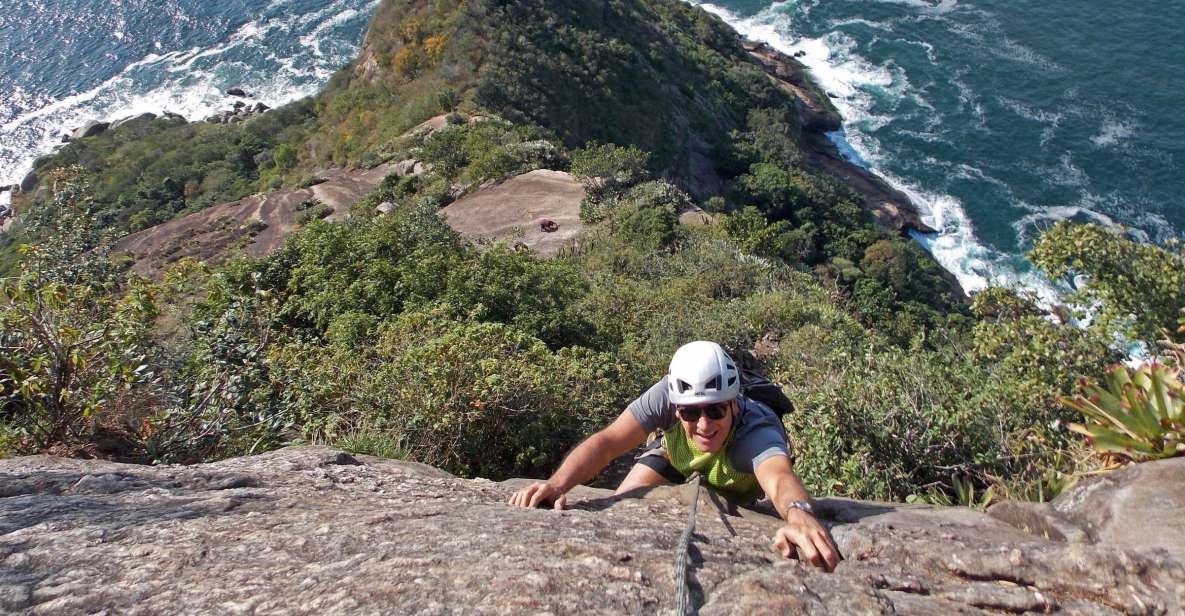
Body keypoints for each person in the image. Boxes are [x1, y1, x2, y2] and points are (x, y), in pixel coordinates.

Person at [509, 340, 841, 571]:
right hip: (675, 458)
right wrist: (557, 485)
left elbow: (779, 477)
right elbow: (608, 442)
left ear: (734, 405)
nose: (704, 424)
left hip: (733, 480)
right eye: (691, 413)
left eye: (715, 411)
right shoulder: (664, 398)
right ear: (676, 408)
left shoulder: (755, 432)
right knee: (620, 508)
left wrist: (799, 515)